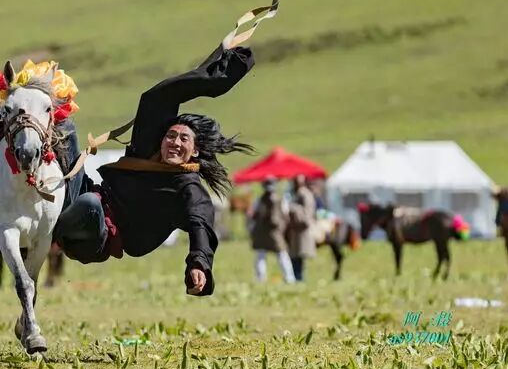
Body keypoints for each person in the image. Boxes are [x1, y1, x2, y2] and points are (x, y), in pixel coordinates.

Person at [53, 43, 255, 296]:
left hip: (96, 237)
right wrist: (216, 78)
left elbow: (201, 226)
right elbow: (160, 97)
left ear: (195, 151)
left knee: (89, 204)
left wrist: (199, 265)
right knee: (64, 126)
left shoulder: (188, 189)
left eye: (184, 139)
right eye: (171, 135)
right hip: (87, 197)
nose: (175, 142)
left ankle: (43, 235)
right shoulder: (147, 150)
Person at [247, 177, 295, 283]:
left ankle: (261, 278)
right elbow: (286, 215)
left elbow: (253, 215)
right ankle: (289, 278)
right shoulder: (280, 200)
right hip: (275, 231)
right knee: (282, 255)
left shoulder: (259, 200)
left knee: (262, 256)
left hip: (262, 231)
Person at [287, 174, 316, 281]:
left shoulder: (304, 194)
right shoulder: (296, 194)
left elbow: (306, 215)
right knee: (295, 257)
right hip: (296, 231)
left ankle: (299, 279)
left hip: (302, 231)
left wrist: (292, 208)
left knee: (298, 257)